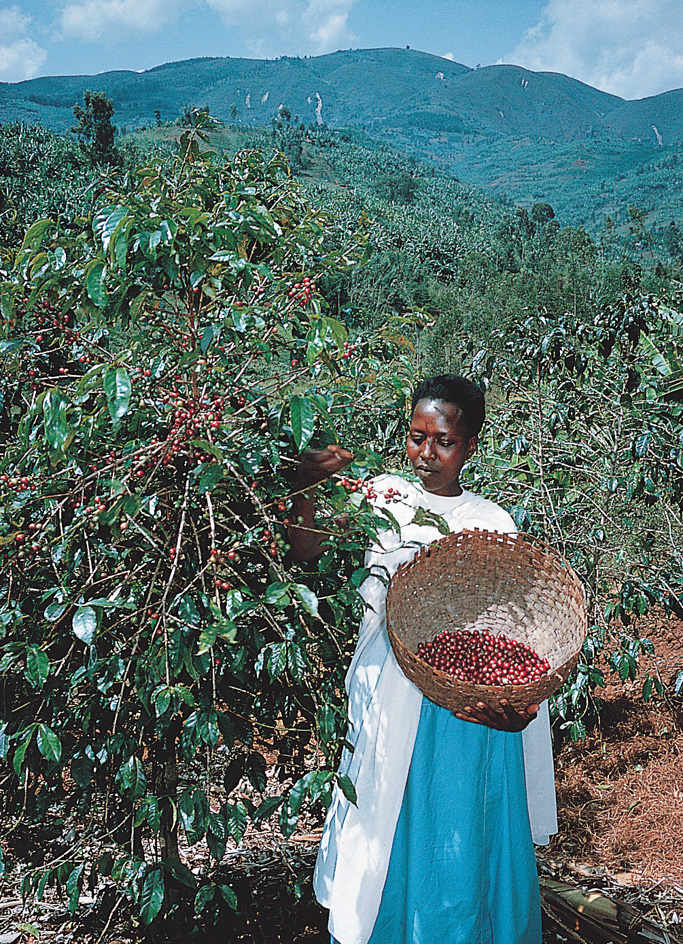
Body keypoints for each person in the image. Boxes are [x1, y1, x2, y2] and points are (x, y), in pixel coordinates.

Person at [289, 375, 557, 944]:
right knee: (388, 827)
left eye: (444, 442)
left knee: (462, 834)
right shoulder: (384, 497)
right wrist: (307, 484)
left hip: (467, 716)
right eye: (416, 437)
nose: (426, 454)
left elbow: (512, 634)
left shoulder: (493, 522)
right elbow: (306, 547)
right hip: (392, 695)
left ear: (472, 446)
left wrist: (521, 705)